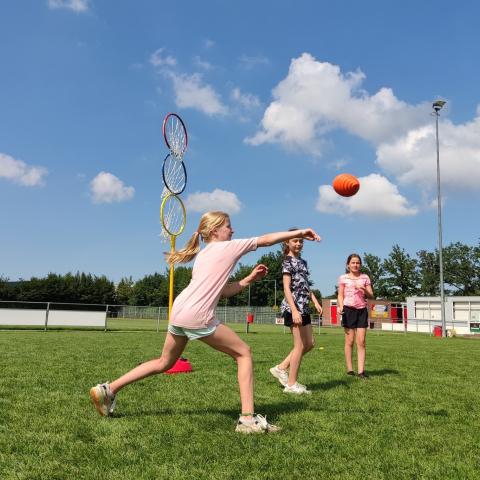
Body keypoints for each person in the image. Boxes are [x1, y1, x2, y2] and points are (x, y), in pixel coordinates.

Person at [90, 211, 321, 433]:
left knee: (164, 362)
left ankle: (108, 389)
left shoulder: (204, 255)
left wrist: (249, 279)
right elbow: (265, 240)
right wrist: (299, 231)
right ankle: (248, 420)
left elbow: (224, 291)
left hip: (179, 311)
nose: (233, 230)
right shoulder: (226, 247)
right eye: (228, 226)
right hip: (196, 314)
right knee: (244, 353)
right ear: (214, 231)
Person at [269, 231, 323, 394]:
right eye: (295, 241)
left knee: (310, 344)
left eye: (301, 241)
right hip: (293, 308)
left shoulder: (303, 262)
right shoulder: (287, 262)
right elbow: (286, 287)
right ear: (287, 243)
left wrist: (314, 300)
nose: (298, 244)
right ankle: (291, 384)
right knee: (299, 346)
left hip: (304, 306)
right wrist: (294, 311)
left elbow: (305, 285)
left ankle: (281, 368)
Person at [337, 253, 374, 379]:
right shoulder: (343, 278)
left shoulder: (365, 277)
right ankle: (350, 369)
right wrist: (340, 306)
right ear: (348, 265)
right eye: (353, 262)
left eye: (357, 262)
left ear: (360, 264)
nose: (355, 265)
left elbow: (371, 295)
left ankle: (361, 371)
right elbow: (340, 295)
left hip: (362, 310)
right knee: (349, 341)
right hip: (348, 310)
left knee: (361, 341)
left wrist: (363, 288)